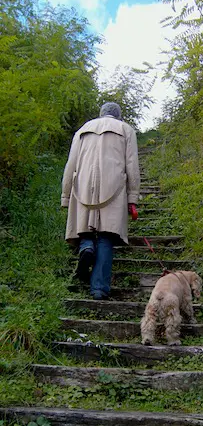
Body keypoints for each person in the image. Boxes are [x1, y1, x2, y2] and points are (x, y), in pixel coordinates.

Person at [61, 102, 140, 300]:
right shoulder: (125, 129)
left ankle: (86, 246)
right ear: (118, 116)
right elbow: (132, 164)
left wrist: (66, 194)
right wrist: (133, 197)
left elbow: (71, 164)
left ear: (101, 114)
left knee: (86, 226)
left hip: (83, 183)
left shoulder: (83, 129)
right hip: (113, 184)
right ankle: (99, 289)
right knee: (106, 235)